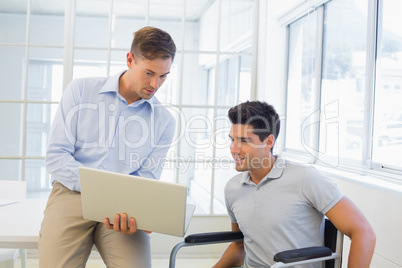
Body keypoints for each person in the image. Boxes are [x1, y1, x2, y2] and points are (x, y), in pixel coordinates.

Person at [39, 26, 176, 268]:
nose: (155, 84)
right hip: (71, 194)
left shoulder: (164, 121)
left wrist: (136, 208)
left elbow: (147, 176)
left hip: (123, 206)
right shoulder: (81, 91)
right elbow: (56, 156)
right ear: (130, 60)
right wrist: (101, 191)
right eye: (149, 73)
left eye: (163, 76)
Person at [212, 101, 376, 268]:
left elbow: (363, 232)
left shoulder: (305, 178)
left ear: (268, 142)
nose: (234, 149)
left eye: (244, 141)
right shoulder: (233, 189)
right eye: (232, 139)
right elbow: (239, 246)